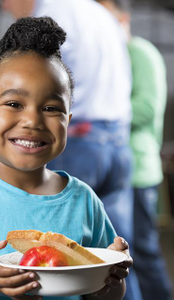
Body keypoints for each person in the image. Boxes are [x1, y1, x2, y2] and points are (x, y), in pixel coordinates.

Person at [0, 17, 132, 300]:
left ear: (68, 121)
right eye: (14, 104)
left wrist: (111, 278)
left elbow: (102, 294)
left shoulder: (84, 200)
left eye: (51, 108)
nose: (32, 120)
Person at [1, 1, 141, 300]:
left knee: (55, 259)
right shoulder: (101, 13)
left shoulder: (50, 15)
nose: (7, 8)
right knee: (118, 258)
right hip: (117, 142)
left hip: (81, 141)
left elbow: (36, 83)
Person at [96, 1, 173, 299]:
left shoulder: (139, 52)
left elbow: (146, 108)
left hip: (139, 168)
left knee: (143, 250)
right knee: (125, 252)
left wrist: (100, 113)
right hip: (122, 165)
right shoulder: (114, 56)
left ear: (124, 18)